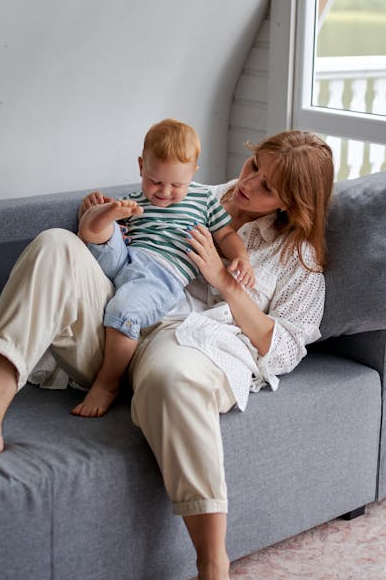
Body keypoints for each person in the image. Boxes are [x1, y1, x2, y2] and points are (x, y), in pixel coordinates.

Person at [0, 130, 334, 580]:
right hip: (118, 326)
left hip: (190, 343)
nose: (246, 185)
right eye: (252, 168)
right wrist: (98, 223)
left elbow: (283, 347)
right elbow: (120, 256)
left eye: (266, 187)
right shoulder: (195, 191)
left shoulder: (299, 260)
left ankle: (213, 569)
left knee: (173, 377)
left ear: (293, 204)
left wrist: (225, 282)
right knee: (54, 244)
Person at [73, 117, 254, 417]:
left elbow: (226, 234)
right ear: (142, 165)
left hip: (162, 275)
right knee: (104, 237)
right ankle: (96, 218)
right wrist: (113, 217)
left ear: (193, 174)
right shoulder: (134, 199)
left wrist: (241, 257)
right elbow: (122, 241)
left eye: (176, 184)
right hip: (127, 259)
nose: (164, 192)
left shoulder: (204, 200)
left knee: (123, 312)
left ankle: (107, 383)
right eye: (155, 181)